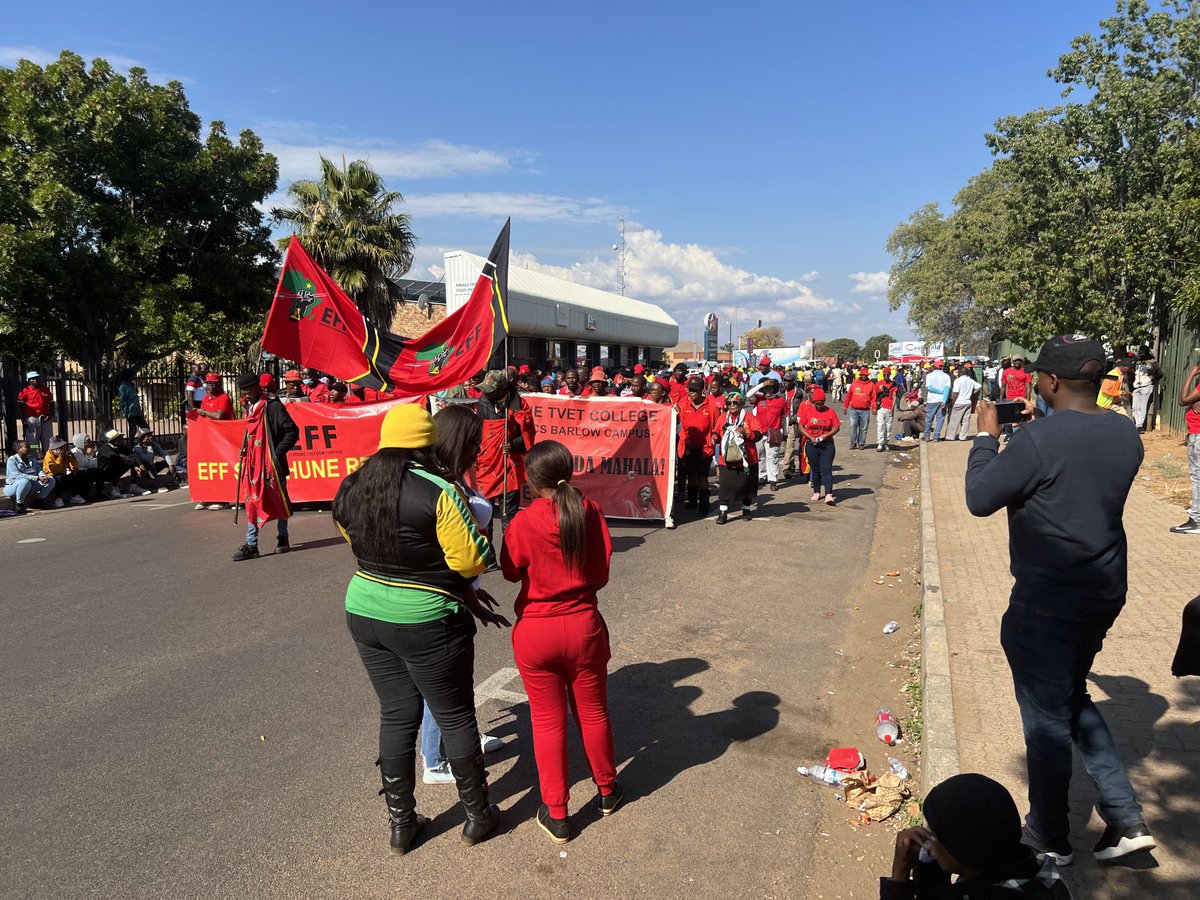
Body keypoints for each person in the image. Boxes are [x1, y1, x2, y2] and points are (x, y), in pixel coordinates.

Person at [965, 335, 1154, 866]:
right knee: (1070, 698)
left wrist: (987, 439)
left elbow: (981, 498)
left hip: (1047, 597)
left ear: (1048, 381)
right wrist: (1036, 428)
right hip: (1102, 588)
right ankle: (1124, 816)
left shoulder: (1039, 439)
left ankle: (1049, 836)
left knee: (1045, 723)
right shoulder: (1123, 430)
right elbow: (1072, 466)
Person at [335, 403, 506, 855]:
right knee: (454, 715)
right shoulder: (438, 490)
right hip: (427, 619)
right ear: (426, 444)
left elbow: (350, 535)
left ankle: (401, 824)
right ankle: (477, 815)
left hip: (364, 612)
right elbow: (470, 561)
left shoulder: (353, 484)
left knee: (395, 714)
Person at [499, 439, 619, 843]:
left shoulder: (523, 522)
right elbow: (601, 571)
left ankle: (558, 812)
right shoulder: (588, 511)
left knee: (547, 723)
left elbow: (511, 573)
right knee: (593, 713)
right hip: (583, 625)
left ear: (531, 481)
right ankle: (607, 790)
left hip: (537, 631)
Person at [419, 405, 508, 784]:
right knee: (443, 686)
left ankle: (461, 739)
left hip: (462, 591)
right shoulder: (441, 486)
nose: (479, 451)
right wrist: (471, 599)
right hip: (446, 596)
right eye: (474, 444)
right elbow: (451, 560)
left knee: (455, 681)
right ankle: (435, 760)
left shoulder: (453, 477)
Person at [883, 773, 1072, 899]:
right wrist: (931, 864)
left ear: (962, 852)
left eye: (934, 836)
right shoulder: (1031, 861)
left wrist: (899, 873)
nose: (928, 846)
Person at [231, 374, 300, 560]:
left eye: (248, 391)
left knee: (279, 499)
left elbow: (292, 431)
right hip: (253, 464)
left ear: (257, 387)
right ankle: (252, 544)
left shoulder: (273, 405)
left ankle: (283, 538)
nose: (245, 395)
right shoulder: (250, 407)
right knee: (252, 501)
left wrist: (275, 454)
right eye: (242, 392)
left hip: (272, 465)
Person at [475, 369, 535, 532]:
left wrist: (513, 444)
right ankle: (488, 553)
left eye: (491, 390)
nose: (487, 393)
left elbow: (528, 436)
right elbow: (478, 431)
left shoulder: (520, 405)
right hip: (487, 466)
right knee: (484, 515)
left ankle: (511, 552)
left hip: (509, 466)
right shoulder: (483, 402)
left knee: (509, 518)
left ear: (502, 389)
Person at [713, 391, 760, 524]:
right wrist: (715, 437)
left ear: (741, 403)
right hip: (726, 459)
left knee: (747, 486)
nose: (732, 405)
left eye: (735, 402)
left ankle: (746, 509)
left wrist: (746, 432)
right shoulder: (722, 417)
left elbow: (759, 434)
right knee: (725, 486)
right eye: (729, 403)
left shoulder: (749, 417)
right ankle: (723, 513)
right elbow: (716, 431)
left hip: (747, 459)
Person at [677, 375, 717, 516]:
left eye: (695, 390)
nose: (691, 392)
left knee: (702, 477)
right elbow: (679, 425)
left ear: (702, 390)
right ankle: (692, 501)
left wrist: (714, 438)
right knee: (691, 475)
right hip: (688, 446)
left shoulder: (710, 405)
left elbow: (717, 426)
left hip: (704, 448)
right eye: (690, 389)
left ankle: (704, 504)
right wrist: (685, 439)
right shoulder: (683, 404)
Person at [1171, 361, 1200, 535]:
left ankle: (1196, 520)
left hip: (1198, 435)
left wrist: (1191, 373)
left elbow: (1182, 399)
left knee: (1197, 477)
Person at [798, 387, 840, 504]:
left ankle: (828, 494)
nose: (819, 406)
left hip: (827, 444)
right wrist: (810, 437)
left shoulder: (830, 411)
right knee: (815, 469)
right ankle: (817, 491)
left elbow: (836, 427)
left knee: (826, 469)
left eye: (821, 404)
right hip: (812, 443)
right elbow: (801, 426)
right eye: (817, 404)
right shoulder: (807, 411)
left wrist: (826, 436)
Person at [748, 378, 787, 490]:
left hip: (774, 432)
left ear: (774, 389)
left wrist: (785, 433)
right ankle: (762, 476)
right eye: (765, 389)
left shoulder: (780, 401)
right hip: (759, 433)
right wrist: (761, 384)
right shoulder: (758, 399)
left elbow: (785, 417)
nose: (768, 391)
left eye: (770, 388)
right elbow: (748, 395)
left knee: (772, 456)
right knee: (760, 456)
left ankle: (773, 479)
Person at [95, 429, 150, 498]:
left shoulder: (120, 446)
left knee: (135, 460)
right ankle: (114, 490)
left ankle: (133, 485)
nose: (123, 439)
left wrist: (140, 465)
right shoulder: (105, 448)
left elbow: (134, 454)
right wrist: (134, 465)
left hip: (114, 472)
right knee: (119, 462)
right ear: (114, 440)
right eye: (120, 438)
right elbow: (117, 458)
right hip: (103, 475)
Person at [4, 440, 56, 512]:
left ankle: (40, 501)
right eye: (27, 447)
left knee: (51, 479)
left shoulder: (31, 458)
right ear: (19, 449)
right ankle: (19, 504)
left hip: (30, 485)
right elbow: (17, 475)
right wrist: (37, 478)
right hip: (13, 487)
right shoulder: (12, 460)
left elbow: (39, 470)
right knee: (25, 481)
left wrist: (43, 476)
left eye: (29, 447)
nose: (29, 449)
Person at [43, 437, 89, 506]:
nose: (63, 449)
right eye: (61, 448)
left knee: (80, 473)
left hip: (63, 476)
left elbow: (74, 468)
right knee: (60, 477)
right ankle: (58, 499)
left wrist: (72, 457)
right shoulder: (48, 456)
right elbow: (55, 470)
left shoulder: (65, 455)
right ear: (55, 449)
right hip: (53, 477)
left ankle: (74, 496)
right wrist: (60, 457)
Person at [17, 371, 54, 455]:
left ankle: (48, 460)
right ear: (28, 381)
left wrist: (50, 415)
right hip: (32, 419)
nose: (35, 380)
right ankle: (32, 458)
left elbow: (51, 403)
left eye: (37, 378)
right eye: (32, 379)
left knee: (48, 441)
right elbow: (20, 406)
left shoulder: (45, 390)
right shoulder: (25, 391)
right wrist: (24, 420)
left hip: (45, 418)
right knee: (33, 443)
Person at [844, 367, 877, 450]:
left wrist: (874, 408)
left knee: (864, 428)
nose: (864, 376)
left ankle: (861, 443)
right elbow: (849, 396)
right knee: (853, 425)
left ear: (867, 375)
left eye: (865, 375)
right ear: (860, 375)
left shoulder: (871, 385)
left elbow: (874, 398)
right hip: (854, 409)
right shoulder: (854, 383)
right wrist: (845, 406)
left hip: (865, 410)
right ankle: (853, 442)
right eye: (862, 375)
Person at [946, 365, 981, 441]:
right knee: (966, 420)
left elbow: (955, 392)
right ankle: (963, 436)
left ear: (960, 373)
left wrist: (953, 401)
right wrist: (972, 393)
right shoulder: (970, 380)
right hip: (968, 402)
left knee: (954, 420)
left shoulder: (958, 380)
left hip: (959, 402)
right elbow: (979, 386)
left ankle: (950, 436)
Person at [1130, 351, 1161, 432]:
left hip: (1147, 386)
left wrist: (1152, 380)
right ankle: (1137, 423)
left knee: (1142, 405)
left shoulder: (1152, 362)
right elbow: (1132, 370)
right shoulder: (1137, 362)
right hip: (1137, 386)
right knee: (1135, 406)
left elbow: (1160, 374)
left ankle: (1139, 425)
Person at [69, 433, 105, 502]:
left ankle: (98, 494)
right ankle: (83, 495)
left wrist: (93, 456)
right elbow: (76, 468)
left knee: (99, 471)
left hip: (86, 472)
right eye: (88, 442)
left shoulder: (88, 451)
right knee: (85, 473)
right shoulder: (74, 453)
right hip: (76, 474)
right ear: (80, 443)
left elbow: (93, 467)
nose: (90, 443)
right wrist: (87, 470)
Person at [117, 371, 150, 443]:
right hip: (131, 412)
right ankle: (131, 444)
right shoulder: (123, 386)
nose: (133, 377)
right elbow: (123, 400)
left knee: (145, 427)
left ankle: (143, 442)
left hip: (137, 411)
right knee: (133, 429)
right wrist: (126, 412)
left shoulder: (130, 385)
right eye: (131, 376)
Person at [923, 362, 952, 441]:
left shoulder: (929, 375)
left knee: (929, 419)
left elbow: (929, 387)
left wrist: (939, 391)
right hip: (941, 400)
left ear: (934, 367)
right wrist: (944, 400)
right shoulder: (946, 376)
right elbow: (947, 389)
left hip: (931, 400)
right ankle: (936, 436)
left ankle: (926, 436)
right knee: (940, 419)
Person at [874, 369, 898, 452]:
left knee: (888, 426)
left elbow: (894, 396)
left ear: (890, 375)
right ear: (883, 374)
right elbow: (875, 396)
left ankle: (886, 442)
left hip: (889, 407)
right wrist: (874, 407)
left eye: (888, 374)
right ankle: (880, 443)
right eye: (885, 374)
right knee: (880, 425)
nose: (886, 376)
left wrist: (893, 408)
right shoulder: (878, 384)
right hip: (881, 407)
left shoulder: (893, 384)